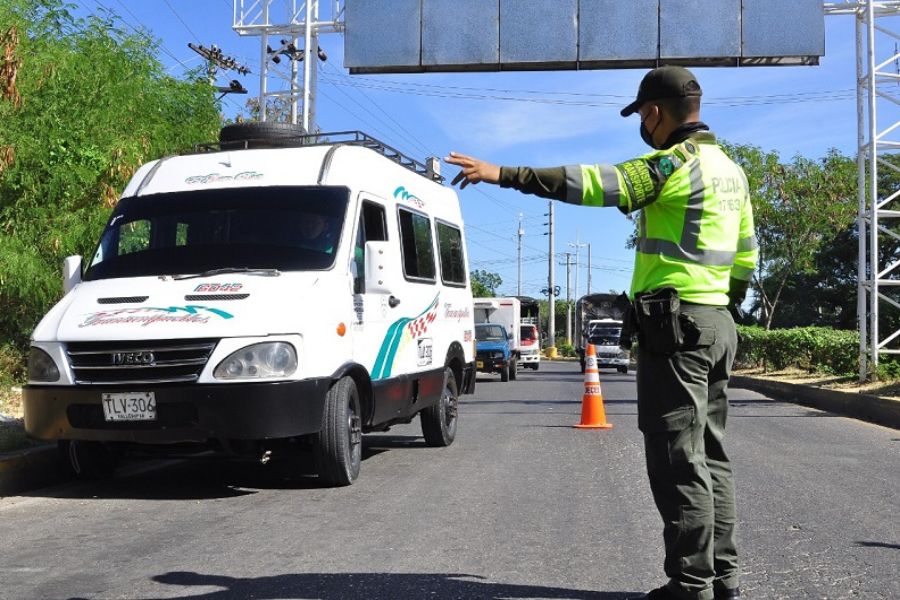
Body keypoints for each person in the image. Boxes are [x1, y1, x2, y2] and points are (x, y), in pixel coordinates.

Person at [445, 65, 757, 600]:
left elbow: (591, 184)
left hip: (678, 330)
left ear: (654, 113)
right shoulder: (732, 170)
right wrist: (719, 306)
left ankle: (690, 587)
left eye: (641, 115)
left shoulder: (672, 165)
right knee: (710, 454)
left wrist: (504, 174)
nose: (642, 124)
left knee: (676, 457)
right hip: (718, 324)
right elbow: (747, 255)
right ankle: (721, 579)